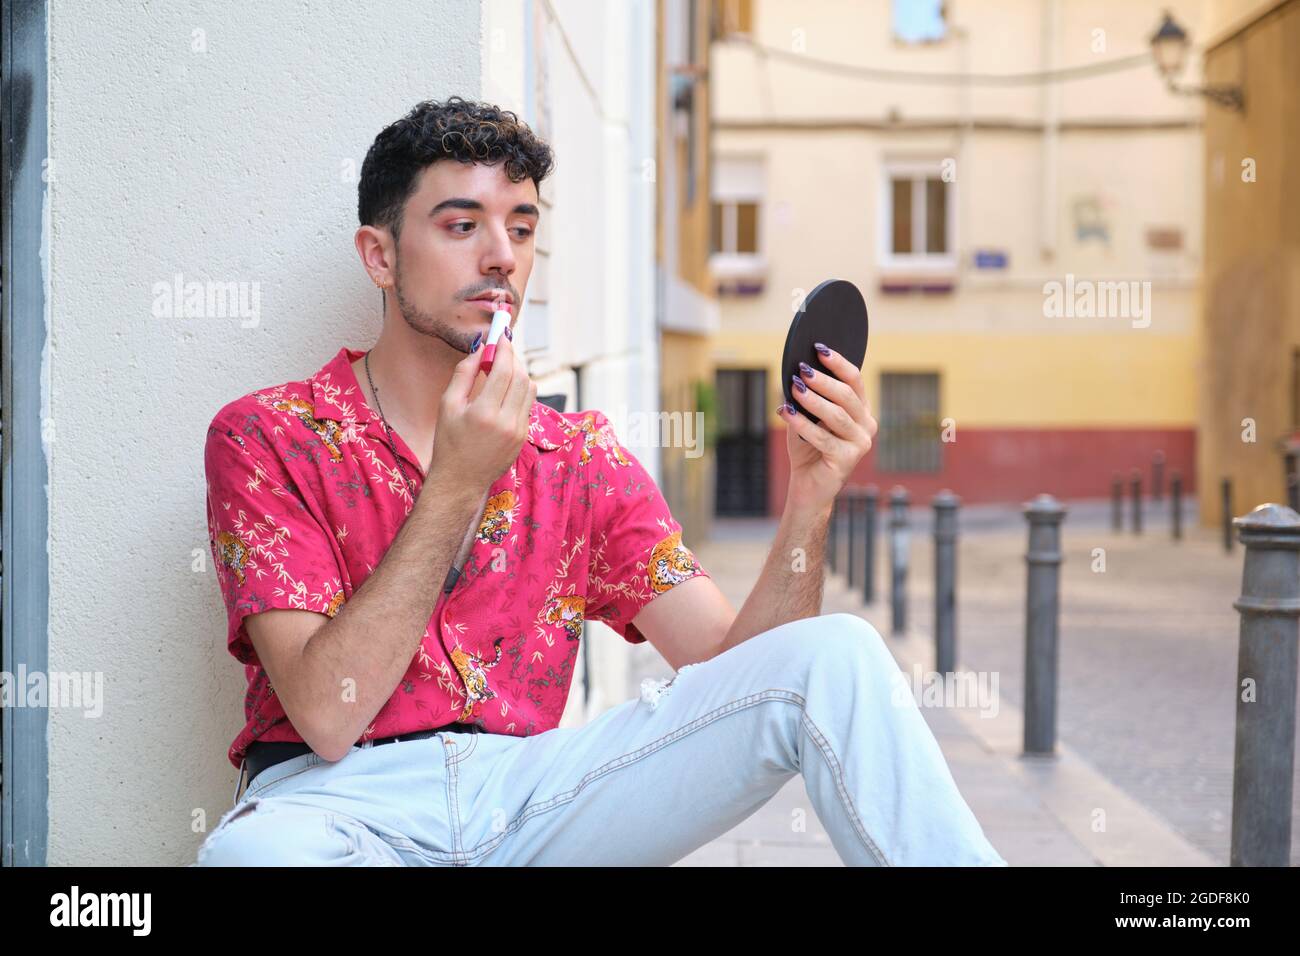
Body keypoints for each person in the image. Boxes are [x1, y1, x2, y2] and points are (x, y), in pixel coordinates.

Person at [195, 96, 1006, 867]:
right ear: (380, 255)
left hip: (533, 793)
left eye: (520, 228)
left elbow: (740, 674)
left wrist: (810, 496)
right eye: (461, 225)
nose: (501, 257)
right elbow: (328, 715)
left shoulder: (575, 456)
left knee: (838, 654)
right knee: (247, 856)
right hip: (335, 801)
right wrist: (455, 486)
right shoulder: (271, 436)